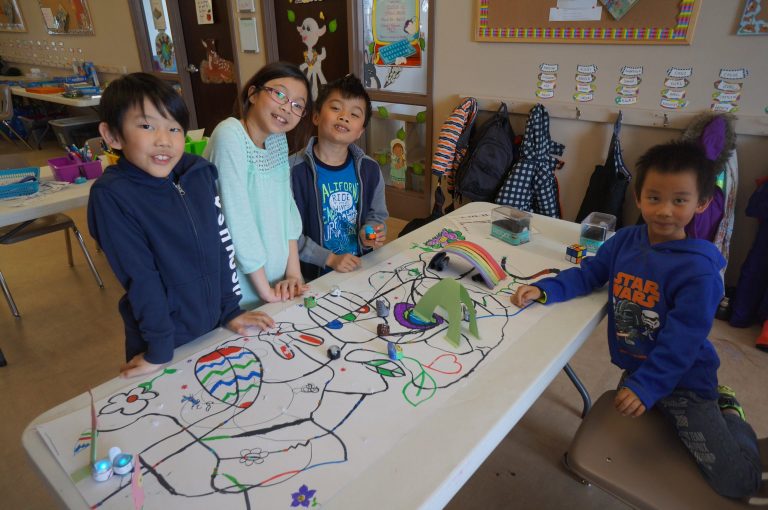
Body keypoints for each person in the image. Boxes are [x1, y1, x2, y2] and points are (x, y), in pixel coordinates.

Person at [511, 141, 761, 499]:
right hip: (638, 367)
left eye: (680, 200)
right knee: (624, 433)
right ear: (639, 197)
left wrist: (646, 387)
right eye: (655, 197)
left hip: (685, 381)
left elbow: (682, 344)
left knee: (738, 483)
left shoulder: (698, 272)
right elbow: (591, 273)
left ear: (701, 203)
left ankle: (729, 411)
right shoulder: (625, 240)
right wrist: (546, 289)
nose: (664, 211)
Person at [88, 73, 274, 378]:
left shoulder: (199, 173)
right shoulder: (113, 196)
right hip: (161, 339)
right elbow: (141, 279)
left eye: (174, 128)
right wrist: (159, 349)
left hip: (213, 324)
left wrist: (230, 310)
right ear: (112, 136)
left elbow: (220, 245)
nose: (164, 140)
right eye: (147, 126)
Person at [204, 62, 311, 308]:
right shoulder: (229, 134)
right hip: (242, 289)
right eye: (280, 94)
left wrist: (293, 275)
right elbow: (236, 218)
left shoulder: (277, 140)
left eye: (297, 105)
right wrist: (265, 291)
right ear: (252, 93)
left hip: (276, 285)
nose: (286, 107)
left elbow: (287, 209)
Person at [290, 74, 388, 281]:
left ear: (360, 131)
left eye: (354, 114)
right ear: (316, 116)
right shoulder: (293, 171)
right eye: (335, 108)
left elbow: (376, 216)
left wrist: (371, 233)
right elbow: (287, 234)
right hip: (313, 278)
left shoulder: (369, 169)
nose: (344, 117)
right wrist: (329, 259)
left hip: (360, 269)